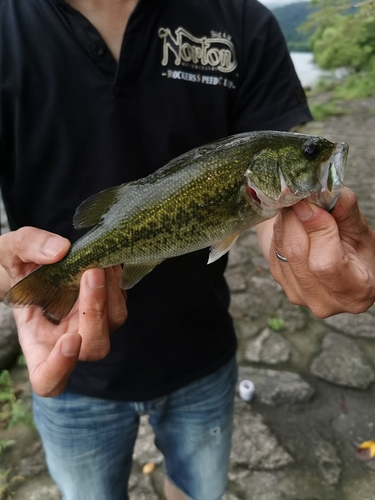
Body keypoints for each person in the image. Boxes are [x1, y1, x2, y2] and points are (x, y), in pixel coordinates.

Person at [1, 0, 375, 499]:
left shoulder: (243, 20)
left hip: (202, 355)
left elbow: (267, 219)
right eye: (309, 154)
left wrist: (301, 253)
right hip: (70, 372)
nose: (319, 155)